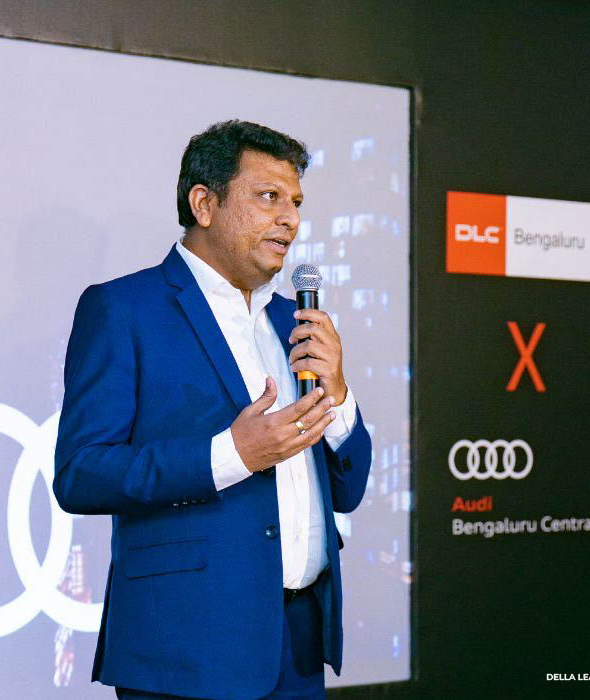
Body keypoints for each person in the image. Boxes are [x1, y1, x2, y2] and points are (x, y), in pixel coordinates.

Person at [53, 120, 372, 699]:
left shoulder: (294, 321)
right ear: (204, 203)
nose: (290, 219)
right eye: (269, 197)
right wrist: (232, 455)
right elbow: (80, 474)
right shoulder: (123, 309)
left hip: (298, 649)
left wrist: (340, 394)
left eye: (296, 202)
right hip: (185, 652)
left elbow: (347, 492)